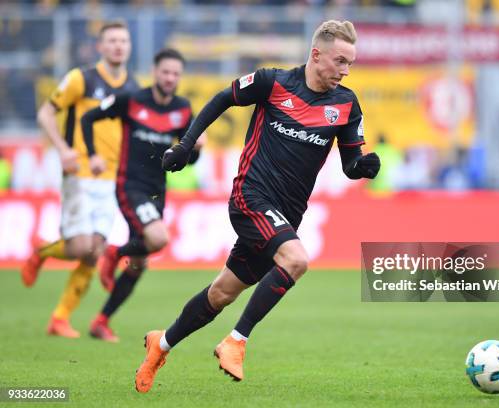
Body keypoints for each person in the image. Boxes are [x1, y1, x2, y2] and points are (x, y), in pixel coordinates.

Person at [134, 20, 380, 393]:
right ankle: (236, 341)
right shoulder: (272, 82)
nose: (345, 71)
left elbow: (349, 163)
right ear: (316, 54)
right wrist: (185, 145)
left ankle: (161, 344)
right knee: (297, 260)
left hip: (285, 215)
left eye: (350, 64)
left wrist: (364, 167)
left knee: (221, 293)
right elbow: (221, 99)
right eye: (340, 61)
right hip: (250, 197)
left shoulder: (346, 104)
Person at [20, 21, 138, 338]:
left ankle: (59, 318)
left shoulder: (133, 88)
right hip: (81, 173)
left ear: (129, 46)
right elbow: (46, 113)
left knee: (94, 251)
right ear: (100, 46)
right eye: (111, 40)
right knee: (80, 246)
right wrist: (63, 150)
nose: (118, 46)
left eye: (123, 41)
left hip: (113, 179)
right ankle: (42, 252)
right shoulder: (81, 78)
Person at [81, 48, 205, 342]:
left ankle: (101, 320)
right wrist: (93, 155)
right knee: (158, 239)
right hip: (130, 184)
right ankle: (114, 253)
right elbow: (88, 118)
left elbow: (185, 160)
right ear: (155, 72)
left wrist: (197, 150)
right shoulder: (132, 101)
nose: (170, 78)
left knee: (138, 264)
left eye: (175, 73)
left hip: (157, 191)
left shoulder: (183, 109)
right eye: (165, 72)